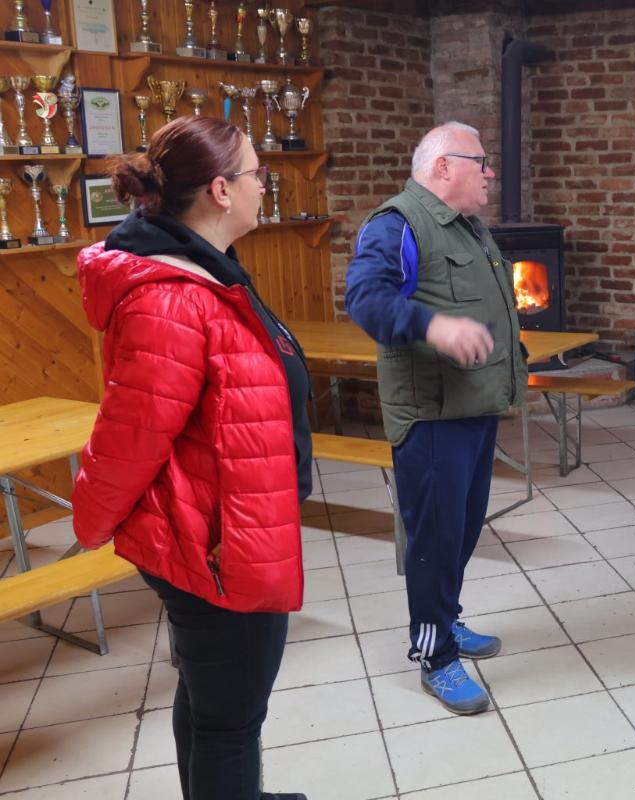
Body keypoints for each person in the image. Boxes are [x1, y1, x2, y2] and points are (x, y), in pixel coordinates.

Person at [72, 116, 312, 800]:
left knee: (214, 702)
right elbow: (128, 437)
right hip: (211, 544)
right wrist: (91, 525)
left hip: (230, 527)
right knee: (231, 720)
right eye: (257, 173)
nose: (265, 185)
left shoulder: (207, 270)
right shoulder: (171, 297)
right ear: (220, 190)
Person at [345, 121, 526, 715]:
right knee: (433, 540)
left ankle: (445, 619)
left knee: (463, 530)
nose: (490, 173)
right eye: (482, 162)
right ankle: (435, 655)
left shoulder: (469, 225)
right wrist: (434, 326)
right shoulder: (395, 223)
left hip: (474, 406)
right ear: (444, 166)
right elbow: (365, 298)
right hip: (430, 416)